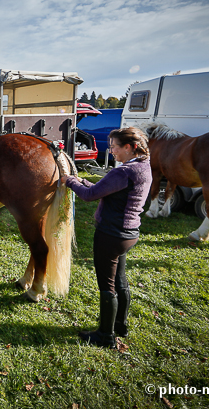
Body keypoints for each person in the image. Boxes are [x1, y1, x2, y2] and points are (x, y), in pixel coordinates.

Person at [61, 127, 152, 348]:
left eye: (114, 147)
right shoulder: (143, 167)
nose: (111, 151)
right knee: (120, 280)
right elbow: (104, 190)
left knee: (107, 285)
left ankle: (105, 336)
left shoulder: (122, 172)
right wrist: (82, 181)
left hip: (110, 235)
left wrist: (69, 181)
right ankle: (119, 324)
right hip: (128, 235)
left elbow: (90, 196)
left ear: (129, 147)